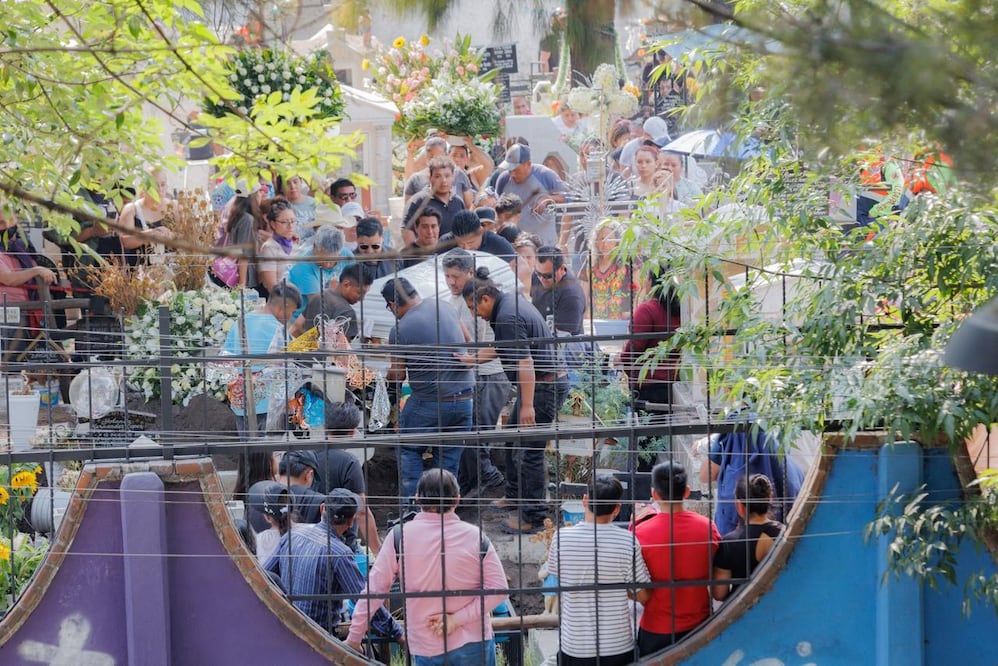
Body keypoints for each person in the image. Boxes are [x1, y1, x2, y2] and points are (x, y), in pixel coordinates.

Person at [346, 469, 509, 664]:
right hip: (475, 643)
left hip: (427, 645)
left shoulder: (399, 537)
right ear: (457, 499)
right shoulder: (476, 537)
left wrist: (354, 637)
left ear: (417, 499)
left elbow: (374, 591)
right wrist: (457, 619)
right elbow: (499, 589)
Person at [473, 275, 570, 534]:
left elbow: (525, 362)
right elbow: (503, 347)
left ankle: (534, 517)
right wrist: (470, 359)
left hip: (545, 387)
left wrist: (527, 406)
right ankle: (515, 495)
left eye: (474, 307)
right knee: (511, 437)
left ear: (485, 298)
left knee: (530, 452)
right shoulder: (509, 305)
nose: (476, 314)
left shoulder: (506, 316)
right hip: (542, 384)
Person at [264, 489, 403, 639]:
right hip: (319, 639)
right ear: (351, 521)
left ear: (322, 509)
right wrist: (398, 632)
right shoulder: (340, 553)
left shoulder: (292, 535)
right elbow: (365, 602)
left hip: (285, 629)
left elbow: (265, 575)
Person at [383, 277, 474, 499]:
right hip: (465, 400)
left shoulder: (400, 329)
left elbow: (398, 374)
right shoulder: (446, 306)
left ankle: (413, 511)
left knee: (408, 449)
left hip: (430, 402)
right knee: (448, 461)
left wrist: (385, 376)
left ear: (392, 304)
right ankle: (444, 511)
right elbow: (468, 341)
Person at [546, 475, 651, 666]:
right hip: (618, 646)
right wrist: (619, 587)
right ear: (617, 508)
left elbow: (559, 576)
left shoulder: (561, 538)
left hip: (574, 646)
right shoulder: (628, 541)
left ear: (585, 500)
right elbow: (643, 594)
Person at [633, 461, 720, 655]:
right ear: (687, 491)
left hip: (656, 629)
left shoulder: (639, 533)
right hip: (700, 626)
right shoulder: (708, 528)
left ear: (655, 494)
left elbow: (635, 588)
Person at [441, 251, 509, 498]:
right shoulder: (453, 299)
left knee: (476, 435)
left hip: (490, 375)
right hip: (471, 374)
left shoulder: (481, 297)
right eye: (447, 276)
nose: (451, 282)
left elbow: (483, 342)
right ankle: (469, 483)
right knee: (468, 433)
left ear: (469, 273)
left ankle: (490, 478)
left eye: (455, 276)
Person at [700, 418, 805, 535]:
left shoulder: (733, 434)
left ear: (739, 506)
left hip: (739, 535)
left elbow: (704, 475)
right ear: (770, 498)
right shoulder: (788, 463)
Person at [221, 283, 301, 436]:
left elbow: (225, 359)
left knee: (247, 446)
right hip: (269, 405)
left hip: (241, 402)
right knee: (269, 447)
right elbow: (289, 368)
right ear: (283, 307)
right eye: (292, 312)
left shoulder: (240, 322)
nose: (291, 317)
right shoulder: (279, 330)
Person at [312, 401, 383, 554]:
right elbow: (362, 512)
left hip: (309, 540)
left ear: (326, 427)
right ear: (352, 432)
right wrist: (379, 552)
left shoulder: (309, 455)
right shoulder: (349, 462)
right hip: (342, 544)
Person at [712, 474, 784, 601]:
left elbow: (719, 593)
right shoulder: (785, 533)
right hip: (781, 605)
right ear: (770, 499)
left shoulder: (729, 543)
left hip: (743, 609)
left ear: (739, 505)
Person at [620, 268, 681, 406]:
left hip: (649, 385)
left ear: (651, 281)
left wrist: (623, 360)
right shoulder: (679, 308)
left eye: (646, 277)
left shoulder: (647, 310)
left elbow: (634, 348)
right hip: (675, 382)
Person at [493, 144, 567, 247]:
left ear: (528, 164)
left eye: (516, 170)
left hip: (543, 245)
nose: (512, 174)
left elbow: (567, 197)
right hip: (513, 244)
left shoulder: (545, 175)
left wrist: (548, 199)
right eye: (510, 170)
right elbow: (497, 208)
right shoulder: (503, 179)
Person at [286, 222, 354, 320]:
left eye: (333, 260)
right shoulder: (302, 266)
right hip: (303, 318)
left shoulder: (346, 256)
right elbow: (319, 305)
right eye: (324, 259)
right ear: (314, 246)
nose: (327, 265)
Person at [290, 262, 372, 340]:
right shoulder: (347, 312)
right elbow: (344, 347)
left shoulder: (319, 296)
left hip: (304, 348)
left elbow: (296, 328)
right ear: (346, 284)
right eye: (359, 292)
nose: (362, 298)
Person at [579, 219, 637, 320]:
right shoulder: (591, 262)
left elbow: (639, 289)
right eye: (601, 238)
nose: (604, 244)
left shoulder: (627, 261)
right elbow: (583, 295)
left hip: (622, 322)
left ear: (618, 241)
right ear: (595, 241)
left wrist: (633, 312)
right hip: (594, 322)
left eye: (609, 239)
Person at [116, 167, 175, 266]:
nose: (160, 189)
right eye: (155, 185)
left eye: (163, 184)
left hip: (173, 269)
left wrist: (169, 235)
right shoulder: (131, 209)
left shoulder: (174, 207)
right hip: (140, 271)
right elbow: (124, 241)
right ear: (144, 186)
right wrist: (151, 234)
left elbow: (188, 237)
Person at [403, 156, 466, 242]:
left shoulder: (458, 202)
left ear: (453, 177)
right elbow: (407, 230)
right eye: (437, 176)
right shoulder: (419, 201)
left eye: (447, 176)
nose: (443, 180)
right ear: (430, 178)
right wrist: (417, 250)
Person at [532, 245, 586, 337]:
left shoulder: (571, 295)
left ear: (562, 269)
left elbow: (563, 339)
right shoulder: (537, 275)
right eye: (538, 273)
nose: (541, 279)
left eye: (548, 276)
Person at [405, 138, 474, 208]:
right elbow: (408, 208)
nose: (434, 160)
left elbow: (470, 206)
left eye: (438, 156)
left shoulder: (459, 174)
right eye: (431, 156)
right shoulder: (416, 179)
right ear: (426, 156)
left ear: (446, 155)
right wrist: (410, 153)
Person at [440, 210, 516, 265]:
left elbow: (518, 265)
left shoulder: (498, 243)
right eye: (461, 244)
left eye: (471, 242)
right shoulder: (445, 243)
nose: (466, 248)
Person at [256, 198, 298, 296]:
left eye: (293, 221)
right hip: (280, 300)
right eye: (284, 222)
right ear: (273, 224)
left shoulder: (295, 244)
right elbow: (272, 287)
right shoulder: (268, 248)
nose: (290, 226)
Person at [278, 174, 316, 240]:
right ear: (281, 188)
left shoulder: (314, 203)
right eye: (287, 183)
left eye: (295, 182)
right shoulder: (280, 208)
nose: (292, 186)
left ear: (301, 182)